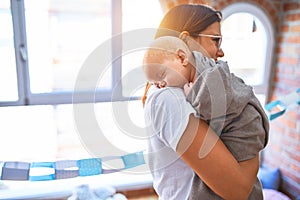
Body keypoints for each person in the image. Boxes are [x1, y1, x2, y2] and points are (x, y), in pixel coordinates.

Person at [142, 4, 269, 200]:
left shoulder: (186, 92)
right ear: (185, 42)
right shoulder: (169, 98)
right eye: (215, 40)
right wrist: (252, 137)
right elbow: (238, 189)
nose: (221, 52)